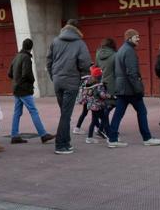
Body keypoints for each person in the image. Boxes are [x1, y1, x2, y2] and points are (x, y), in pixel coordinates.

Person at [107, 29, 160, 148]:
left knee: (118, 114)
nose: (138, 39)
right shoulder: (129, 51)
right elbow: (132, 73)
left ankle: (112, 139)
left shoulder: (121, 50)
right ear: (129, 38)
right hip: (130, 89)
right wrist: (139, 89)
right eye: (136, 37)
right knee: (142, 112)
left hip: (122, 88)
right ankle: (147, 138)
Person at [46, 19, 92, 155]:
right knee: (66, 115)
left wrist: (53, 76)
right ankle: (60, 145)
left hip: (57, 81)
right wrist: (82, 75)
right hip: (71, 82)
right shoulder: (79, 43)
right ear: (77, 29)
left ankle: (66, 141)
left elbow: (49, 61)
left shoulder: (55, 41)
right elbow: (85, 63)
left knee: (64, 114)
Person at [9, 38, 55, 145]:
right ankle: (43, 135)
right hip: (24, 89)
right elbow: (27, 74)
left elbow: (9, 73)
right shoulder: (26, 58)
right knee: (33, 111)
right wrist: (32, 81)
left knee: (17, 113)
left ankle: (14, 135)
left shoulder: (16, 57)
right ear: (31, 48)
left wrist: (16, 80)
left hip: (16, 89)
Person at [92, 38, 118, 139]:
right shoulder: (115, 55)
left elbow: (96, 67)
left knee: (105, 106)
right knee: (112, 105)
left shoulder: (98, 54)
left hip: (101, 83)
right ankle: (103, 128)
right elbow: (117, 71)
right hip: (112, 84)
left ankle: (102, 128)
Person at [79, 66, 111, 144]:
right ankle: (110, 137)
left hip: (92, 106)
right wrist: (109, 96)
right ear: (99, 77)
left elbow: (85, 94)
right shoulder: (99, 85)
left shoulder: (89, 83)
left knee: (93, 121)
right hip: (98, 106)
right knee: (105, 120)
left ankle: (89, 137)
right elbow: (102, 95)